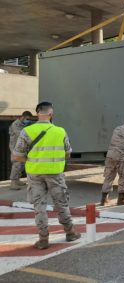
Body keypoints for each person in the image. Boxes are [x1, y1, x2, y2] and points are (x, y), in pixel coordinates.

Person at [11, 102, 81, 250]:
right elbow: (68, 153)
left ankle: (43, 239)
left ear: (37, 114)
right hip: (55, 173)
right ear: (51, 114)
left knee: (39, 206)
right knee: (61, 203)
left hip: (35, 173)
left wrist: (32, 160)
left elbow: (17, 156)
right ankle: (70, 232)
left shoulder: (27, 131)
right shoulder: (60, 131)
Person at [8, 111, 33, 190]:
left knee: (21, 165)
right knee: (16, 165)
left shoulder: (23, 124)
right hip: (15, 148)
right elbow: (20, 134)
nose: (28, 121)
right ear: (23, 117)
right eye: (27, 119)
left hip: (21, 147)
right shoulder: (16, 124)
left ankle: (17, 180)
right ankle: (13, 183)